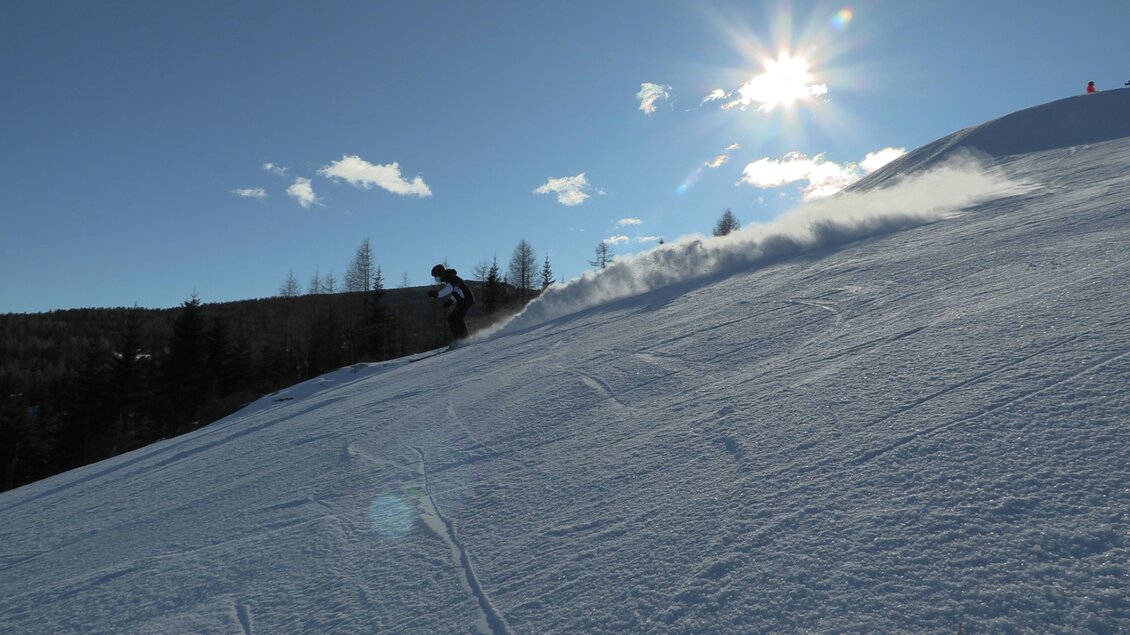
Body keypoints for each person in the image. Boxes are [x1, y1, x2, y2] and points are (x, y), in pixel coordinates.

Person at [428, 264, 475, 343]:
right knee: (452, 318)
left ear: (441, 273)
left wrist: (436, 295)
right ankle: (459, 339)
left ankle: (465, 339)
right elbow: (456, 291)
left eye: (436, 276)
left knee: (457, 318)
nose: (436, 278)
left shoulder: (450, 278)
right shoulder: (450, 278)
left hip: (466, 300)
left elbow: (449, 289)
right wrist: (450, 301)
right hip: (463, 300)